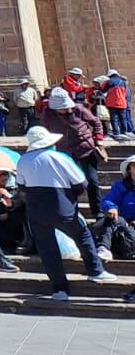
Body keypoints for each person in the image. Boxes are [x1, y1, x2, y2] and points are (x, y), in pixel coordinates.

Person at [15, 126, 115, 301]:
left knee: (48, 250)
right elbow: (81, 182)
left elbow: (21, 185)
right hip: (62, 207)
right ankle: (95, 270)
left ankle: (59, 289)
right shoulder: (60, 157)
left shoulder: (23, 160)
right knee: (83, 235)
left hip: (36, 210)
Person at [42, 85, 107, 217]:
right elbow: (45, 130)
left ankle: (97, 211)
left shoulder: (78, 109)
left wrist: (98, 139)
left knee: (92, 181)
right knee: (69, 183)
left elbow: (96, 122)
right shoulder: (47, 113)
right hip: (64, 152)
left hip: (85, 149)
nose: (68, 109)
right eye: (64, 108)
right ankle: (72, 211)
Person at [94, 155, 135, 261]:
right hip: (124, 221)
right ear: (129, 170)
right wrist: (111, 207)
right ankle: (104, 248)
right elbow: (108, 200)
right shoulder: (121, 186)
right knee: (111, 218)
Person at [104, 69, 132, 140]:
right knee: (123, 118)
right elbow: (126, 93)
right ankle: (124, 131)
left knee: (114, 118)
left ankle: (116, 133)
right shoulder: (123, 82)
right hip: (122, 103)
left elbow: (103, 91)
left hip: (112, 103)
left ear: (110, 75)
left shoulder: (109, 82)